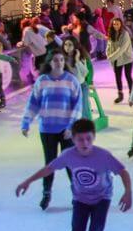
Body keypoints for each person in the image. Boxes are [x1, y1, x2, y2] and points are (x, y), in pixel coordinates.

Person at [16, 118, 132, 231]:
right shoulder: (69, 155)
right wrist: (28, 181)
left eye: (88, 138)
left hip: (102, 198)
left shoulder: (103, 156)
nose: (84, 143)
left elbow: (123, 171)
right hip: (80, 199)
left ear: (93, 137)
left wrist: (128, 192)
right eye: (80, 139)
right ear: (73, 139)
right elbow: (49, 169)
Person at [20, 50, 85, 210]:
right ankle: (46, 193)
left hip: (66, 130)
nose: (59, 62)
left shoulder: (71, 80)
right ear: (50, 62)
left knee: (70, 162)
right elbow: (33, 103)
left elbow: (77, 106)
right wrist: (26, 122)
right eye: (56, 60)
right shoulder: (42, 81)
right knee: (50, 163)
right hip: (47, 129)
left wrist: (71, 126)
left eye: (62, 60)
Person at [106, 16, 133, 103]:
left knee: (127, 75)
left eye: (117, 24)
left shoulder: (125, 34)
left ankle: (131, 94)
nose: (115, 26)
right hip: (117, 59)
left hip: (127, 58)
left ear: (121, 24)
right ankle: (120, 94)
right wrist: (108, 54)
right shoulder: (112, 34)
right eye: (114, 24)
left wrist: (111, 57)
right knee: (118, 77)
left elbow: (122, 49)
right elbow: (109, 46)